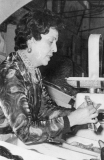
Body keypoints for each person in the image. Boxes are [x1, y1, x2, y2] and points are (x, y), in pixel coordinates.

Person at [0, 9, 98, 144]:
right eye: (50, 42)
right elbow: (25, 132)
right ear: (31, 40)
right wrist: (72, 120)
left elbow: (46, 110)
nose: (55, 49)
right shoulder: (11, 74)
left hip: (14, 143)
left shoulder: (31, 70)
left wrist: (77, 112)